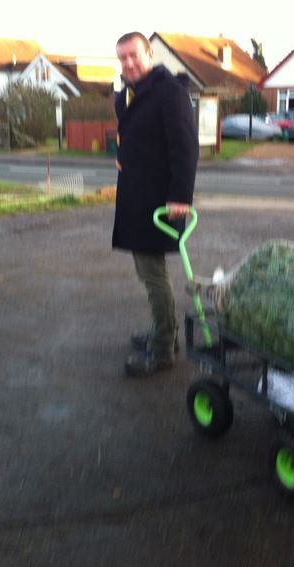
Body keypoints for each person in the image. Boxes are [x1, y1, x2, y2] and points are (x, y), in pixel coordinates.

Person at [112, 32, 198, 378]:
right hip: (136, 194)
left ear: (149, 54)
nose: (128, 63)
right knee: (147, 271)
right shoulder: (132, 93)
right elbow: (137, 135)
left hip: (160, 201)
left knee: (153, 273)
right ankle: (164, 333)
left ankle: (163, 348)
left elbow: (185, 147)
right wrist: (122, 156)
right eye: (122, 58)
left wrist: (181, 197)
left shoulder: (169, 92)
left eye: (134, 55)